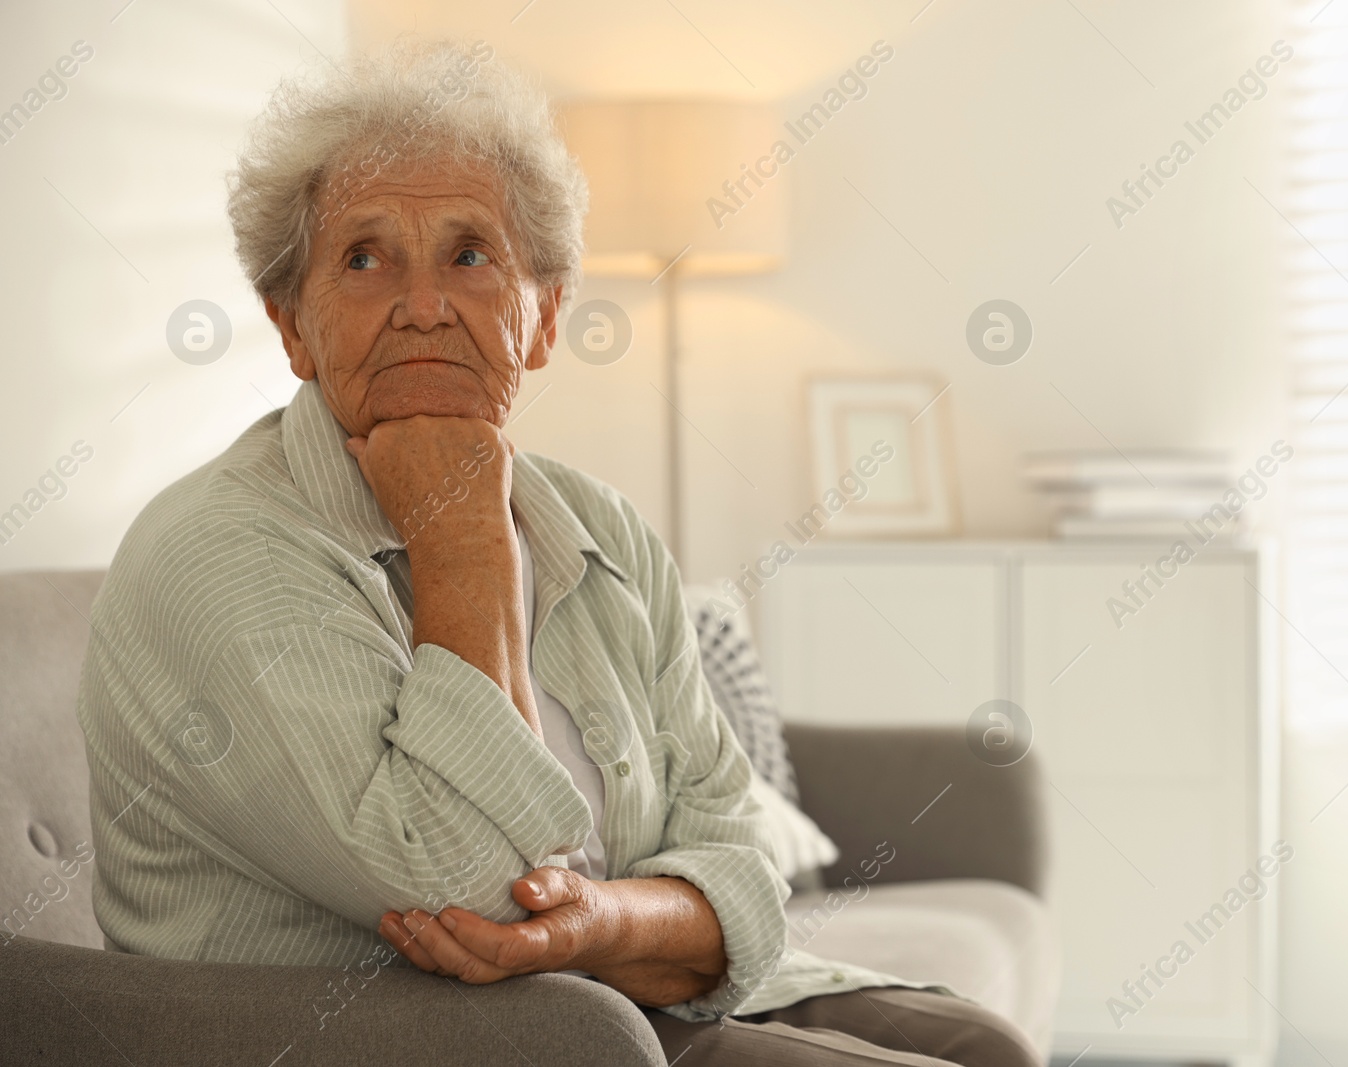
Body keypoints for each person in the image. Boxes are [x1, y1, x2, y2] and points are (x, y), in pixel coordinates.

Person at [76, 39, 1036, 1067]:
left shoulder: (599, 526)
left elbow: (740, 859)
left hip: (617, 1000)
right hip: (410, 1039)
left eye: (469, 254)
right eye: (363, 257)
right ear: (292, 327)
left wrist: (602, 921)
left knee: (988, 1044)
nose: (422, 304)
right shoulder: (217, 552)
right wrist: (462, 537)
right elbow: (468, 885)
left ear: (544, 317)